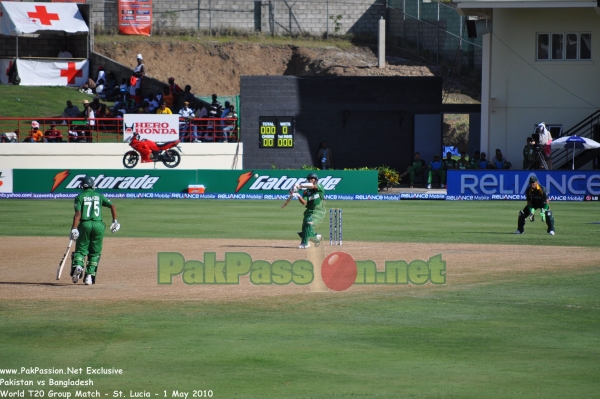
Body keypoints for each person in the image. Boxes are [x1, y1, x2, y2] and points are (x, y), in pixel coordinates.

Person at [69, 175, 120, 285]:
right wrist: (115, 221)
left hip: (85, 224)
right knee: (95, 252)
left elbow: (78, 214)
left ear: (82, 186)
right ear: (92, 185)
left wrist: (74, 228)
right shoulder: (99, 196)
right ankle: (89, 277)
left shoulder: (79, 196)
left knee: (81, 250)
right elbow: (113, 206)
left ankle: (78, 265)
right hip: (98, 225)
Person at [290, 172, 325, 249]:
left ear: (315, 180)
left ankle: (306, 244)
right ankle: (314, 237)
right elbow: (304, 202)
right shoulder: (306, 192)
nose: (310, 180)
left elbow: (313, 186)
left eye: (311, 178)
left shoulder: (319, 186)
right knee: (305, 226)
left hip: (318, 211)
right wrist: (298, 195)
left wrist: (299, 186)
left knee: (309, 222)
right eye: (309, 179)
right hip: (309, 211)